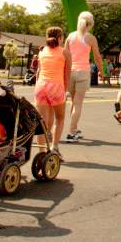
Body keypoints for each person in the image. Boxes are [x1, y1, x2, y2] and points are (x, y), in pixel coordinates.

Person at [64, 11, 102, 142]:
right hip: (83, 72)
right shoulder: (90, 38)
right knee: (78, 104)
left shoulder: (70, 36)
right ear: (90, 24)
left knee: (73, 103)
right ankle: (71, 132)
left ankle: (73, 128)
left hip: (70, 72)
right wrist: (102, 71)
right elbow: (97, 57)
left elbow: (65, 55)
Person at [34, 27, 71, 156]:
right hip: (56, 87)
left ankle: (41, 152)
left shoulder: (42, 51)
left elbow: (38, 72)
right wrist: (66, 91)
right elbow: (67, 75)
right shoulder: (65, 52)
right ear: (60, 38)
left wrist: (37, 87)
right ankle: (54, 147)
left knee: (42, 121)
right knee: (59, 118)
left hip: (41, 86)